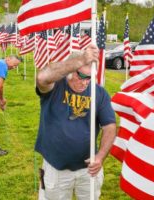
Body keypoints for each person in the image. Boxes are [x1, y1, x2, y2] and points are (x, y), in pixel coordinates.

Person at [36, 44, 116, 200]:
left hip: (88, 170)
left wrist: (100, 157)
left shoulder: (99, 93)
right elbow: (41, 78)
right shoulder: (55, 87)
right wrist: (81, 59)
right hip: (56, 168)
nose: (86, 82)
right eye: (82, 76)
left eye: (90, 77)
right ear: (70, 71)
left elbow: (110, 126)